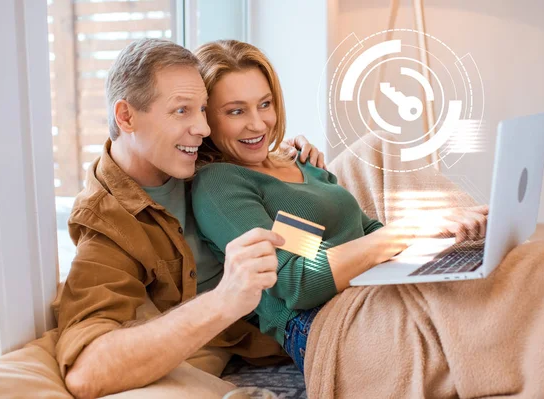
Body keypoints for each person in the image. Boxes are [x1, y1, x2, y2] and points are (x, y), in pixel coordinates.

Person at [190, 39, 489, 374]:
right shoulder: (219, 183)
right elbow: (296, 282)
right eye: (235, 111)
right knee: (475, 326)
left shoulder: (299, 162)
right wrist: (410, 229)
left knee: (489, 292)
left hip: (369, 286)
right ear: (205, 119)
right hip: (318, 322)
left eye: (265, 104)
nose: (258, 124)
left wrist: (437, 243)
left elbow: (361, 233)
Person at [55, 38, 326, 399]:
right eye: (182, 110)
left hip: (320, 283)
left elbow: (302, 241)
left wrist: (297, 176)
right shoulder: (109, 222)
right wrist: (224, 299)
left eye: (202, 109)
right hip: (298, 327)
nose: (203, 127)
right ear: (126, 116)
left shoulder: (200, 159)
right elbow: (86, 372)